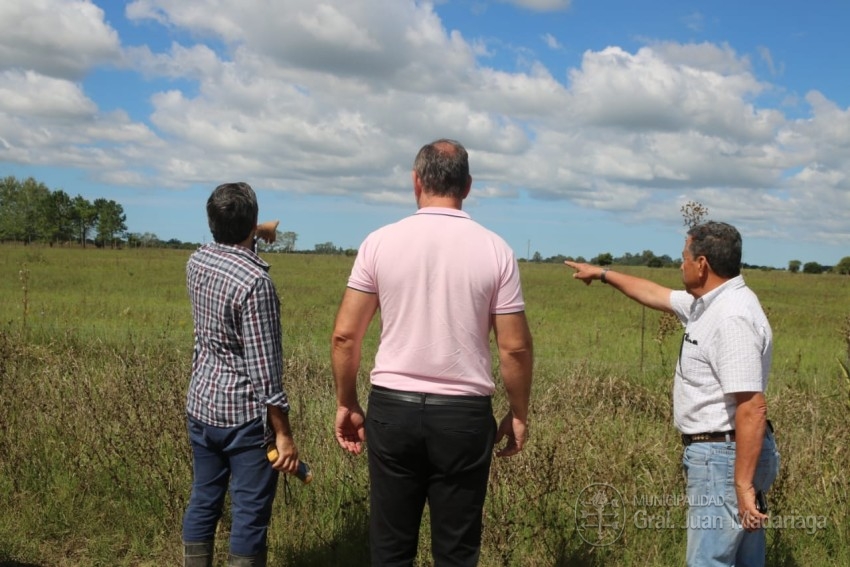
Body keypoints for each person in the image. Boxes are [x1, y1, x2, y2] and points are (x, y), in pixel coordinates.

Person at [331, 139, 534, 566]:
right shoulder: (497, 250)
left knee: (390, 548)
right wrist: (518, 413)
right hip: (463, 416)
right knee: (457, 551)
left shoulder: (379, 242)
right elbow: (514, 347)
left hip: (392, 410)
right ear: (468, 186)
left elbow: (345, 336)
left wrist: (347, 402)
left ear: (416, 181)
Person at [565, 221, 780, 567]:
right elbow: (653, 293)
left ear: (702, 264)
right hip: (725, 454)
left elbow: (752, 407)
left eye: (684, 258)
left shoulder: (731, 317)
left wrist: (741, 485)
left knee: (709, 560)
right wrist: (602, 274)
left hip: (724, 457)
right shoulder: (708, 303)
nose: (681, 265)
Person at [183, 182, 299, 567]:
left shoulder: (197, 261)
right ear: (252, 223)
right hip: (245, 421)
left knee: (204, 499)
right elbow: (265, 374)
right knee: (249, 513)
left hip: (202, 406)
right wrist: (283, 435)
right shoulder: (256, 284)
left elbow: (229, 250)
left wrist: (253, 233)